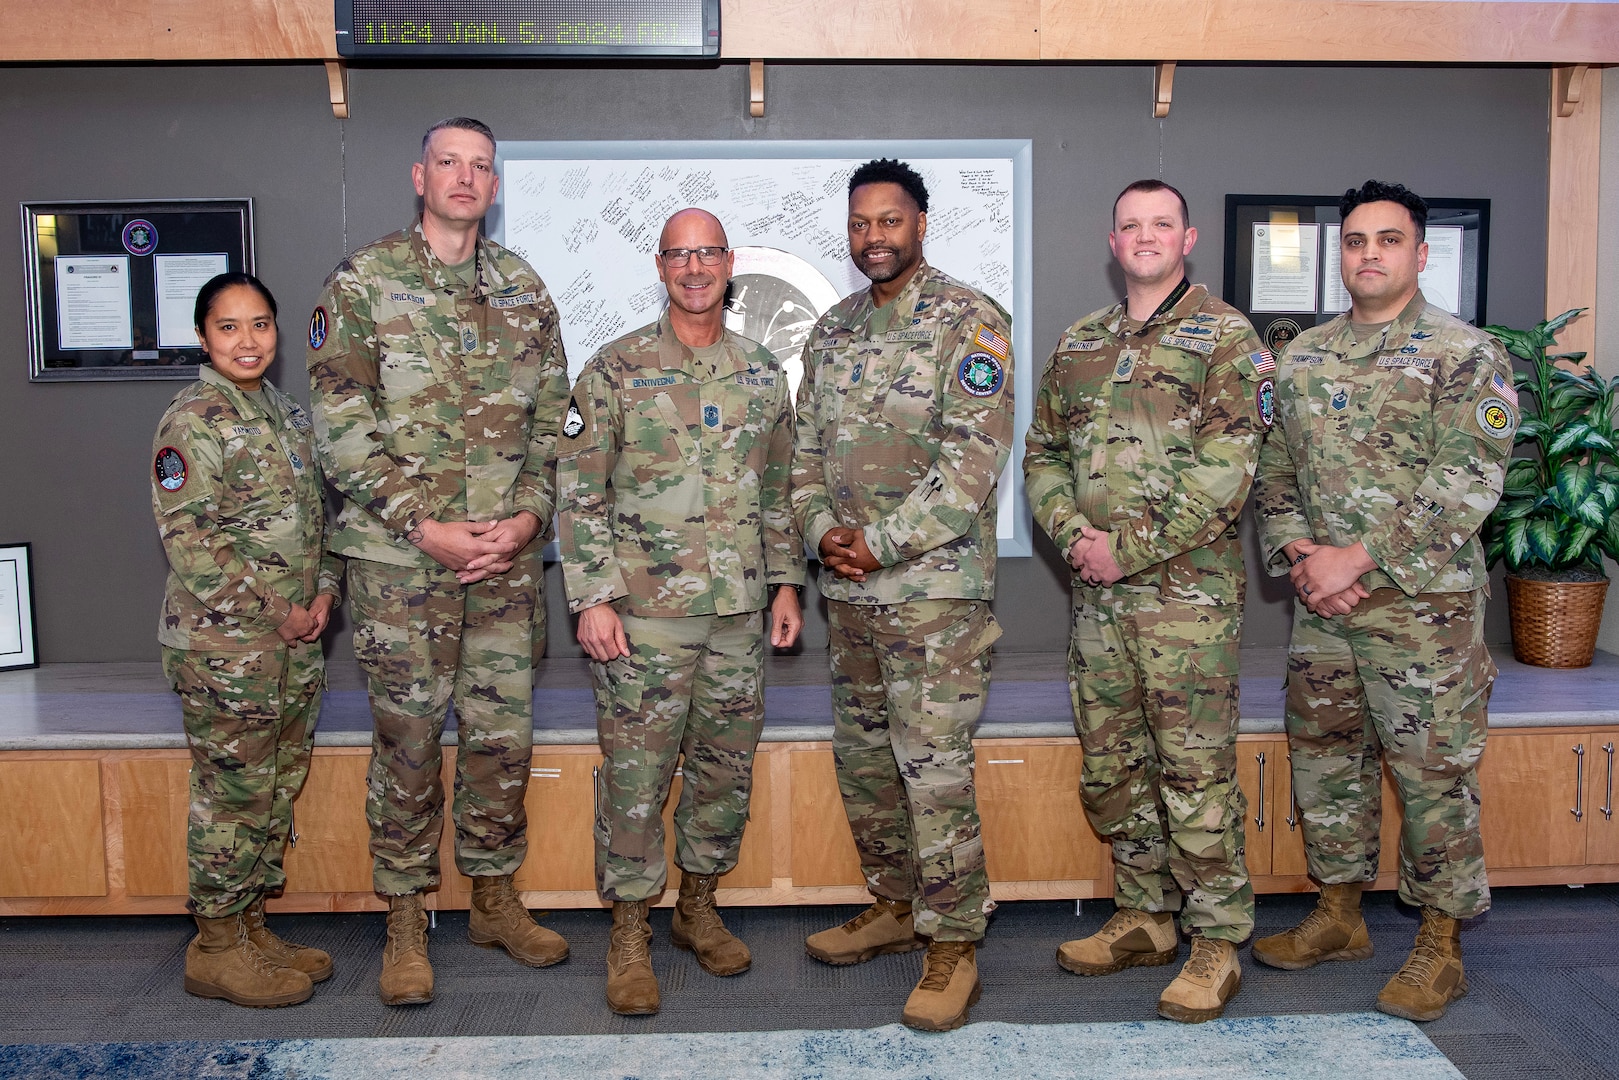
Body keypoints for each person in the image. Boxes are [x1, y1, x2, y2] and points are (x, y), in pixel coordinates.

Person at [308, 117, 572, 1006]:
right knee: (409, 744)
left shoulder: (526, 291)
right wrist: (423, 524)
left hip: (501, 565)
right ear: (419, 175)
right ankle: (405, 917)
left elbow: (554, 425)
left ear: (493, 187)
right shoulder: (363, 283)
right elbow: (339, 424)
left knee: (501, 741)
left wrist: (531, 515)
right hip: (398, 566)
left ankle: (493, 897)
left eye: (481, 167)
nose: (465, 179)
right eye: (449, 163)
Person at [1251, 180, 1517, 1022]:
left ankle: (1440, 943)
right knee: (1328, 765)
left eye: (1388, 240)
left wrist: (1354, 560)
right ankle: (1338, 915)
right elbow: (1275, 471)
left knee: (1433, 776)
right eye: (1357, 241)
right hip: (1323, 611)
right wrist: (1303, 556)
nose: (1369, 254)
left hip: (1422, 613)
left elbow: (1464, 483)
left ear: (1419, 254)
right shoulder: (1302, 356)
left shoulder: (1464, 354)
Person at [1023, 180, 1270, 1023]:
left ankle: (1214, 942)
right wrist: (1071, 537)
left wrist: (1118, 548)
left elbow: (1227, 471)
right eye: (1130, 224)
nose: (1144, 236)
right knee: (1113, 767)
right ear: (1112, 239)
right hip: (1096, 603)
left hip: (1184, 604)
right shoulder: (1081, 340)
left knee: (1193, 776)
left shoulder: (1227, 338)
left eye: (1159, 223)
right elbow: (1043, 450)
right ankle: (1144, 915)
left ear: (1186, 237)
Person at [557, 208, 806, 1015]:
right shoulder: (615, 368)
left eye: (707, 253)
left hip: (737, 614)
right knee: (636, 779)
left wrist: (786, 585)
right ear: (659, 266)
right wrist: (592, 597)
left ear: (729, 263)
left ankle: (697, 906)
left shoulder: (762, 373)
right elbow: (579, 490)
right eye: (678, 255)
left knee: (722, 775)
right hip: (645, 621)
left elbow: (778, 491)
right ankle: (629, 931)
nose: (694, 267)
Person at [791, 158, 1013, 1032]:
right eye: (859, 223)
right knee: (868, 768)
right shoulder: (833, 329)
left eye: (889, 220)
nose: (872, 236)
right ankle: (893, 905)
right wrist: (818, 535)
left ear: (921, 223)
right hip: (849, 600)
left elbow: (968, 468)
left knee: (933, 774)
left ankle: (953, 942)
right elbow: (803, 453)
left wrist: (872, 545)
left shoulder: (969, 321)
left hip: (933, 601)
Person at [152, 272, 341, 1008]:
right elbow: (192, 543)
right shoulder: (192, 419)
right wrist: (276, 613)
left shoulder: (285, 414)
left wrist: (323, 592)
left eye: (259, 324)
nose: (247, 340)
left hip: (291, 643)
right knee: (231, 797)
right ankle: (216, 948)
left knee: (273, 788)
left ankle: (252, 926)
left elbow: (317, 521)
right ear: (203, 336)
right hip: (225, 647)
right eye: (229, 327)